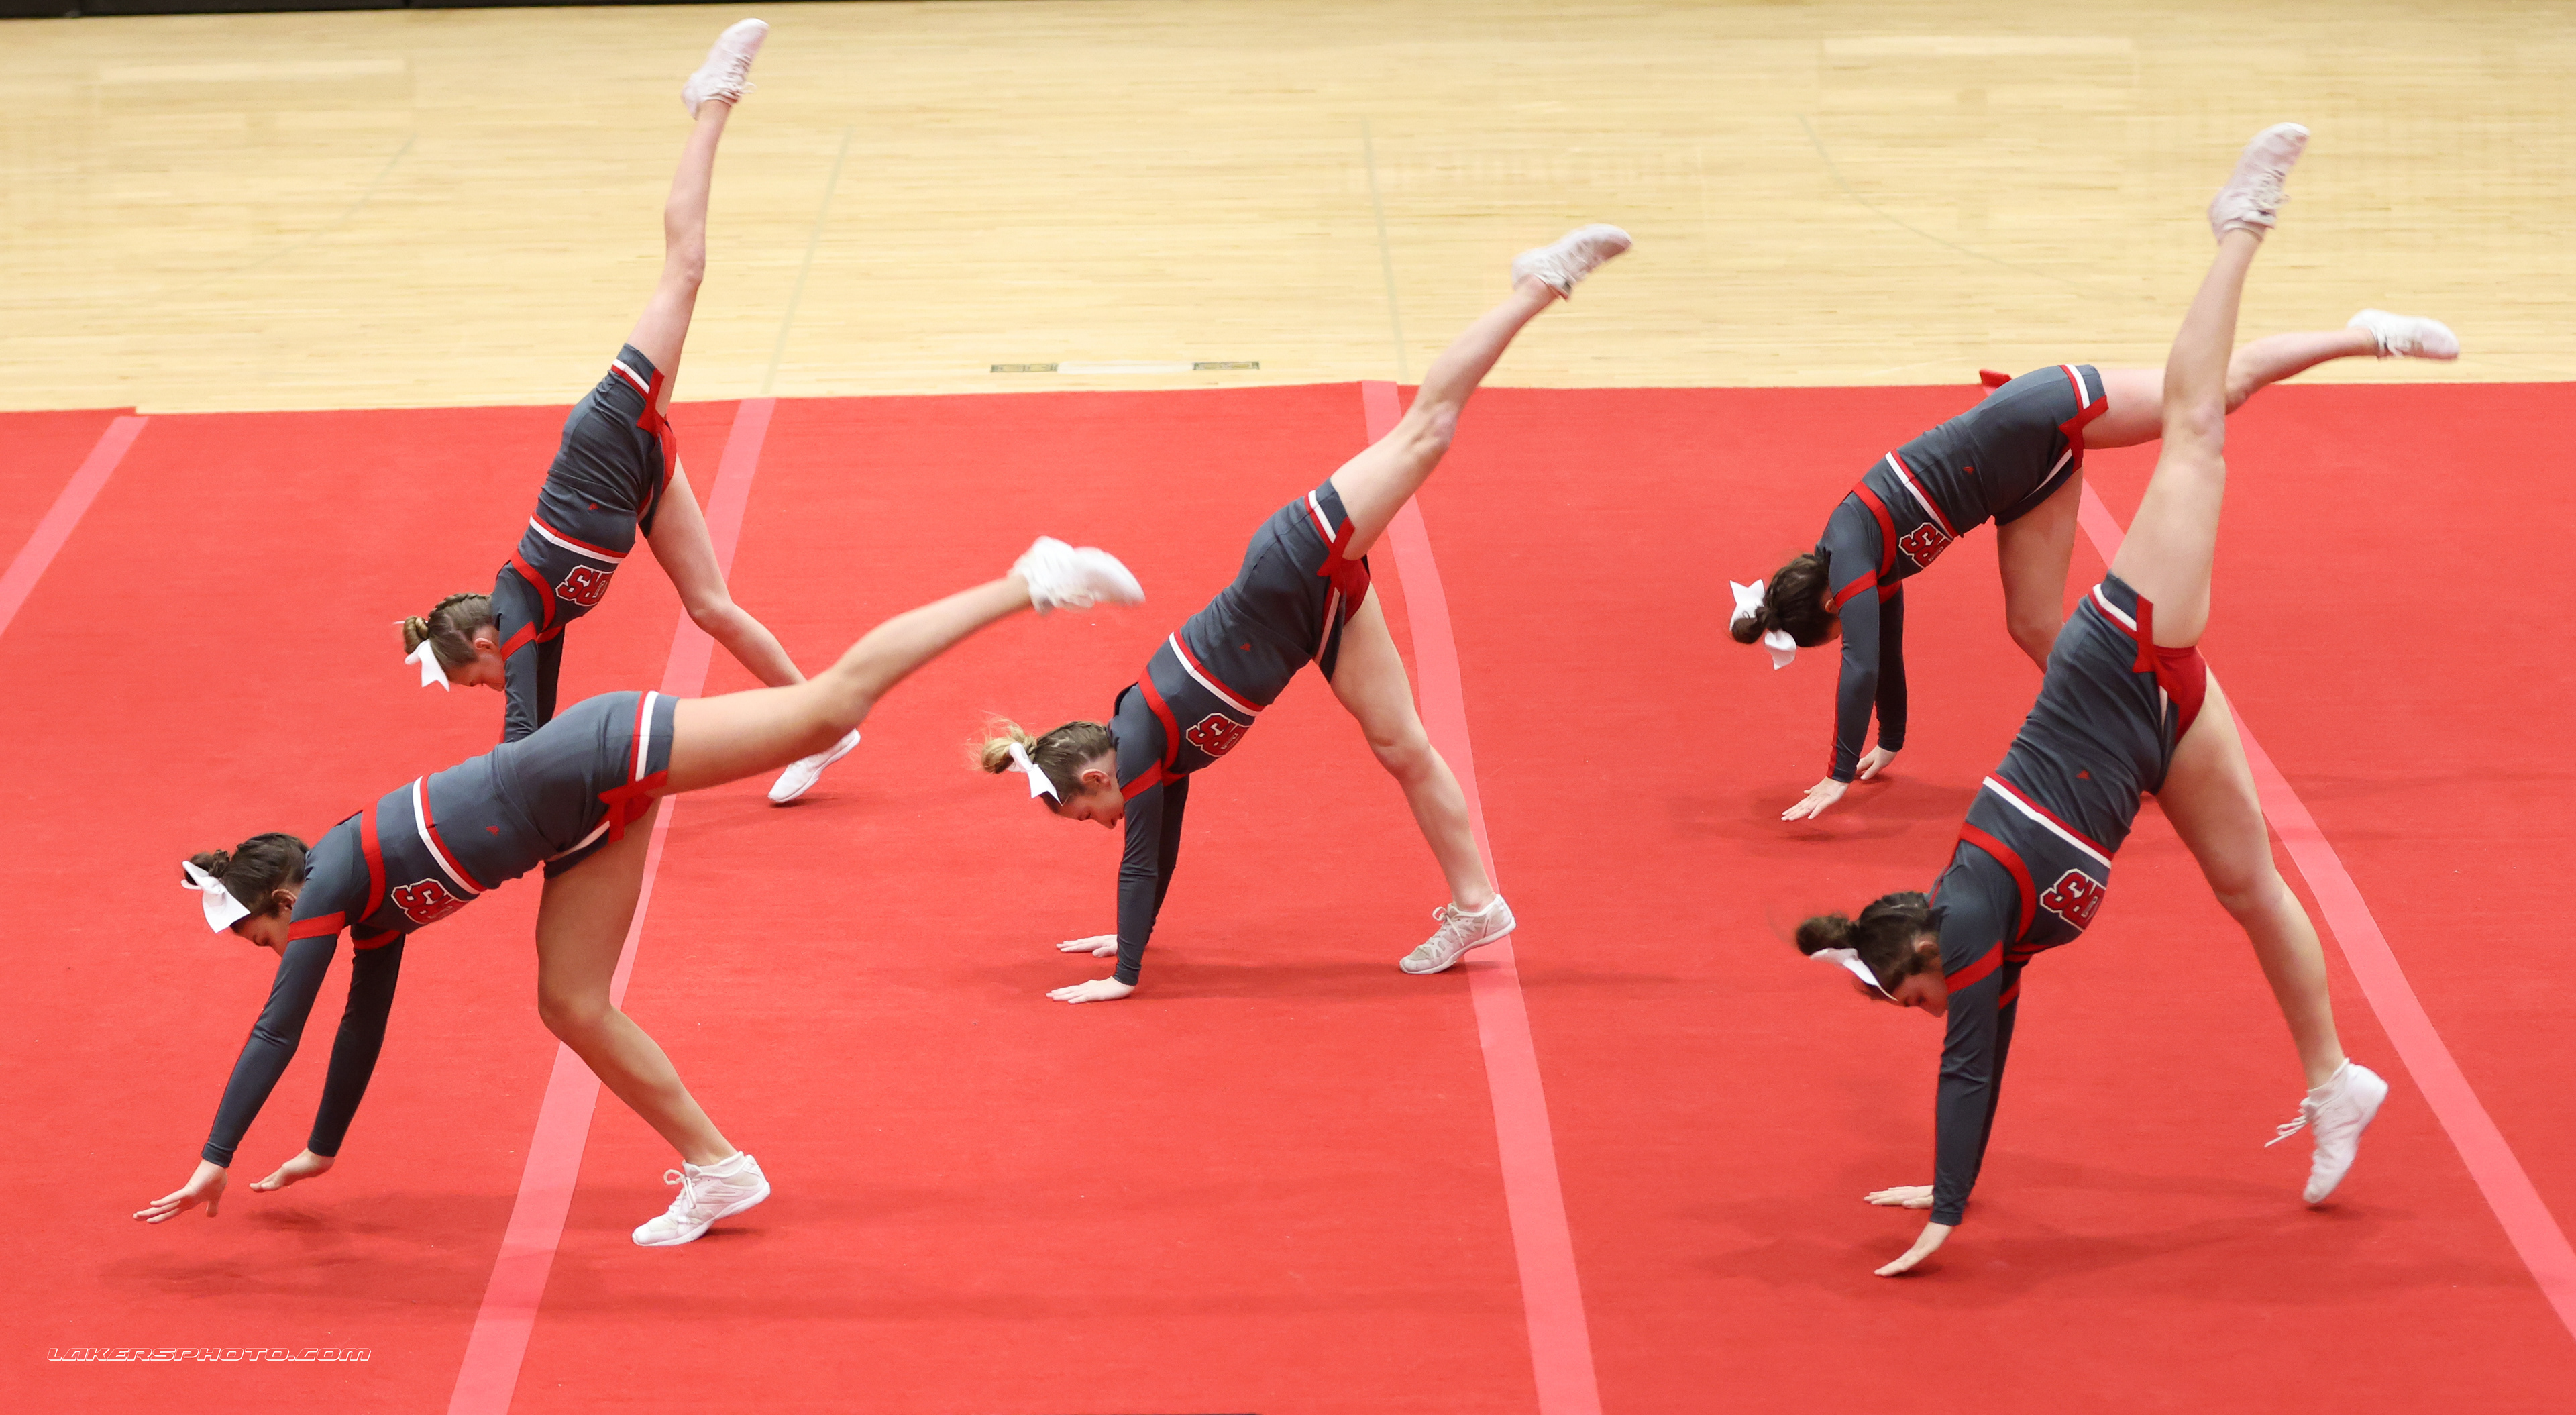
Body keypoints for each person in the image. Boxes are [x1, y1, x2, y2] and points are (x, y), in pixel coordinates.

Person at [138, 538, 1143, 1245]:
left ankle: (1028, 583)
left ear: (279, 904)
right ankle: (720, 1170)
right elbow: (362, 1023)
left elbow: (280, 1028)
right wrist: (322, 1147)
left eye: (260, 938)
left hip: (586, 759)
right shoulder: (363, 909)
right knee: (570, 1003)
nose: (273, 953)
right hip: (575, 823)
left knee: (824, 709)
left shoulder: (329, 884)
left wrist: (213, 1157)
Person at [1790, 125, 2388, 1277]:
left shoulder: (1972, 920)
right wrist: (1948, 1181)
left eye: (1913, 998)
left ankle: (2240, 228)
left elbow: (1966, 1065)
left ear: (1928, 951)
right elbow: (1991, 1044)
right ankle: (2337, 1083)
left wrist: (1943, 1216)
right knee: (2252, 888)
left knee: (2197, 427)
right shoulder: (1987, 943)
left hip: (2121, 653)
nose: (1930, 1012)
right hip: (2159, 727)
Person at [973, 226, 1631, 1004]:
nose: (1105, 825)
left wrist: (1124, 977)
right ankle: (1477, 906)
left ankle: (1539, 284)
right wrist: (1131, 933)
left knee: (1427, 430)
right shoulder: (1146, 756)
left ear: (1095, 776)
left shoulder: (1142, 742)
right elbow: (1162, 844)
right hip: (1317, 621)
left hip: (1289, 564)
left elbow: (1139, 861)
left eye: (1091, 815)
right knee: (1403, 747)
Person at [1735, 301, 2455, 823]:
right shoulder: (1857, 569)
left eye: (1832, 630)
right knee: (2032, 624)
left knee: (2215, 393)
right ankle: (2133, 733)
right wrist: (1890, 741)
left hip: (2038, 415)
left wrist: (1835, 774)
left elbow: (1862, 661)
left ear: (1828, 606)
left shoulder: (1852, 552)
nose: (1846, 630)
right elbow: (1885, 650)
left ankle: (2369, 335)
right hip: (2020, 487)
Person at [396, 19, 860, 805]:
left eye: (475, 677)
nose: (487, 687)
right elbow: (537, 731)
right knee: (711, 607)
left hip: (606, 442)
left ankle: (713, 99)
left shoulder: (517, 608)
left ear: (483, 642)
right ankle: (827, 727)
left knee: (686, 269)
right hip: (637, 482)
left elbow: (517, 738)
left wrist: (469, 813)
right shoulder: (534, 628)